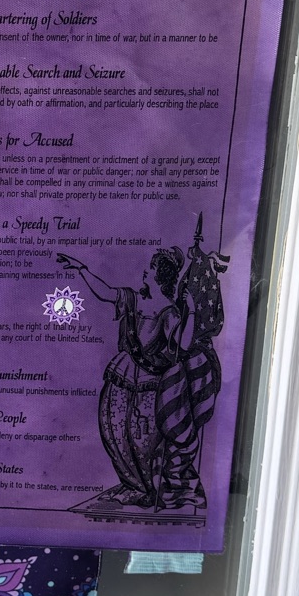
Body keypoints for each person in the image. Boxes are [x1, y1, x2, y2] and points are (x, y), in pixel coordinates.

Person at [60, 218, 228, 515]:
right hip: (122, 376)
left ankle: (147, 489)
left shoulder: (170, 312)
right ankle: (131, 484)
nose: (144, 273)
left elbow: (183, 345)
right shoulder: (134, 299)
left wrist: (190, 310)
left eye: (149, 270)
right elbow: (106, 292)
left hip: (150, 385)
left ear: (159, 277)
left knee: (140, 437)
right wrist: (81, 269)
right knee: (114, 430)